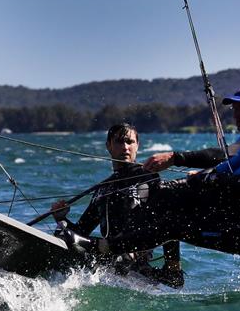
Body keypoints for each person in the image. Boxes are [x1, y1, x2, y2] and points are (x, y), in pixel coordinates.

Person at [74, 88, 240, 258]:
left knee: (173, 223)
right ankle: (130, 252)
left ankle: (107, 248)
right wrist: (198, 178)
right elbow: (227, 166)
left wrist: (200, 177)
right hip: (233, 213)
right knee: (166, 196)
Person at [51, 123, 184, 287]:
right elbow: (81, 231)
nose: (125, 147)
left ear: (137, 145)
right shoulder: (102, 189)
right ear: (109, 146)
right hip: (106, 260)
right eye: (119, 142)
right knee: (62, 232)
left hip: (135, 266)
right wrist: (61, 218)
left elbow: (169, 221)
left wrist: (173, 268)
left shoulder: (148, 178)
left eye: (130, 142)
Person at [143, 85, 240, 172]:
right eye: (234, 109)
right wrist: (204, 174)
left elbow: (224, 154)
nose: (235, 114)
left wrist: (174, 158)